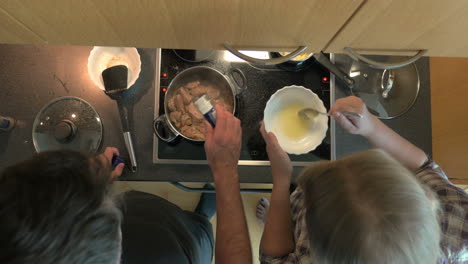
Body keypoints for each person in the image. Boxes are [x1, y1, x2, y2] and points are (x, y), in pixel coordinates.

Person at [0, 104, 252, 264]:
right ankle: (202, 221)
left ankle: (194, 219)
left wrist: (87, 185)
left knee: (169, 215)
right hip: (183, 250)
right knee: (198, 236)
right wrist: (225, 169)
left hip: (148, 213)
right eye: (104, 202)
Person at [257, 96, 468, 264]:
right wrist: (371, 127)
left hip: (295, 223)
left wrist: (282, 181)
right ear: (425, 195)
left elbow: (275, 258)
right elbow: (422, 167)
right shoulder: (461, 221)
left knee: (280, 222)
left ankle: (278, 220)